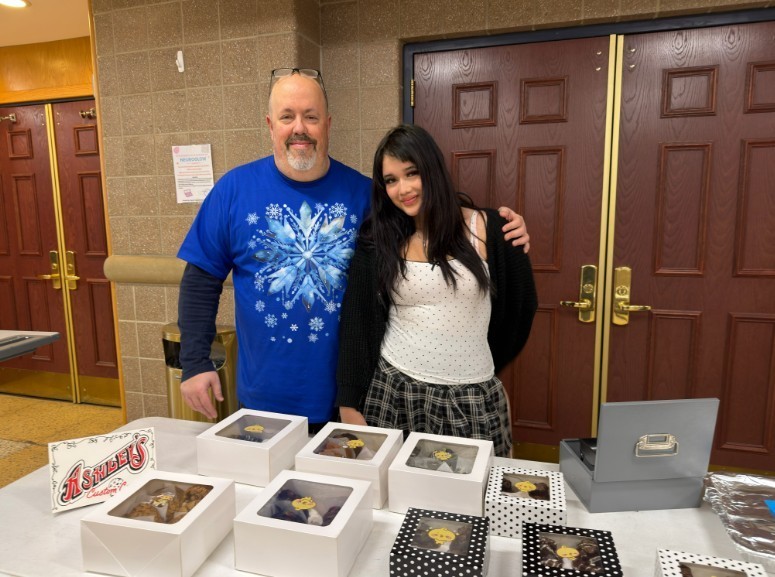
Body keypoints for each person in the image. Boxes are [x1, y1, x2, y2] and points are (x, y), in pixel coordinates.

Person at [176, 68, 530, 431]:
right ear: (270, 125)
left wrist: (498, 226)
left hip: (353, 401)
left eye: (310, 117)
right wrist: (195, 363)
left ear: (327, 124)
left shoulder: (367, 196)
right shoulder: (233, 191)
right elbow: (200, 282)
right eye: (287, 117)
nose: (300, 128)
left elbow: (430, 216)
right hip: (264, 399)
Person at [336, 124, 537, 457]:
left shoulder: (493, 229)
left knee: (470, 500)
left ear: (433, 169)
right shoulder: (378, 238)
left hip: (471, 397)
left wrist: (476, 363)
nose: (404, 189)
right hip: (393, 391)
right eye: (391, 180)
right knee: (395, 500)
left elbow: (522, 308)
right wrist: (348, 401)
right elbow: (357, 321)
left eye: (412, 173)